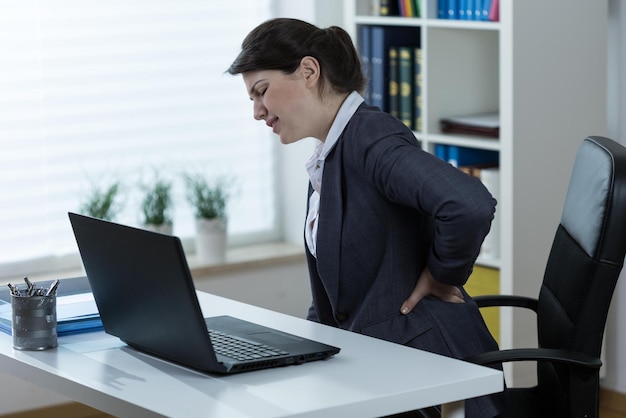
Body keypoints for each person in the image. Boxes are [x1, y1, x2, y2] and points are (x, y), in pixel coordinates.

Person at [228, 18, 501, 417]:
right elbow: (340, 288)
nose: (257, 111)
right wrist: (299, 347)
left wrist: (442, 275)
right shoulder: (330, 153)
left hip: (429, 369)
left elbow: (468, 203)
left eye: (262, 92)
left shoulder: (370, 138)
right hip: (380, 362)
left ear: (308, 71)